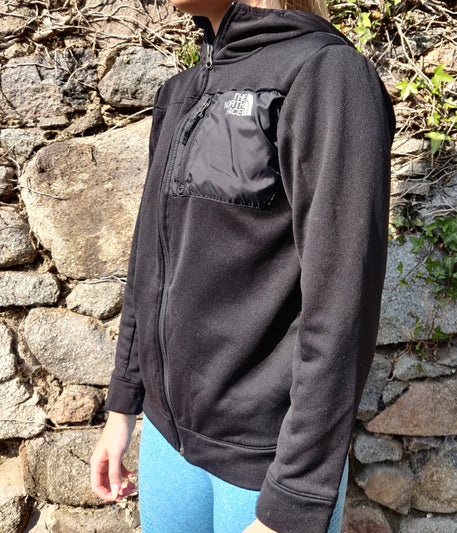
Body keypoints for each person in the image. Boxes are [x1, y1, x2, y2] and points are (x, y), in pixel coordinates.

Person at [90, 1, 395, 532]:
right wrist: (123, 405)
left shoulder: (326, 75)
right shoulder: (180, 92)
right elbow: (148, 263)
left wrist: (294, 499)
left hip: (264, 461)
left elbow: (342, 303)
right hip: (167, 441)